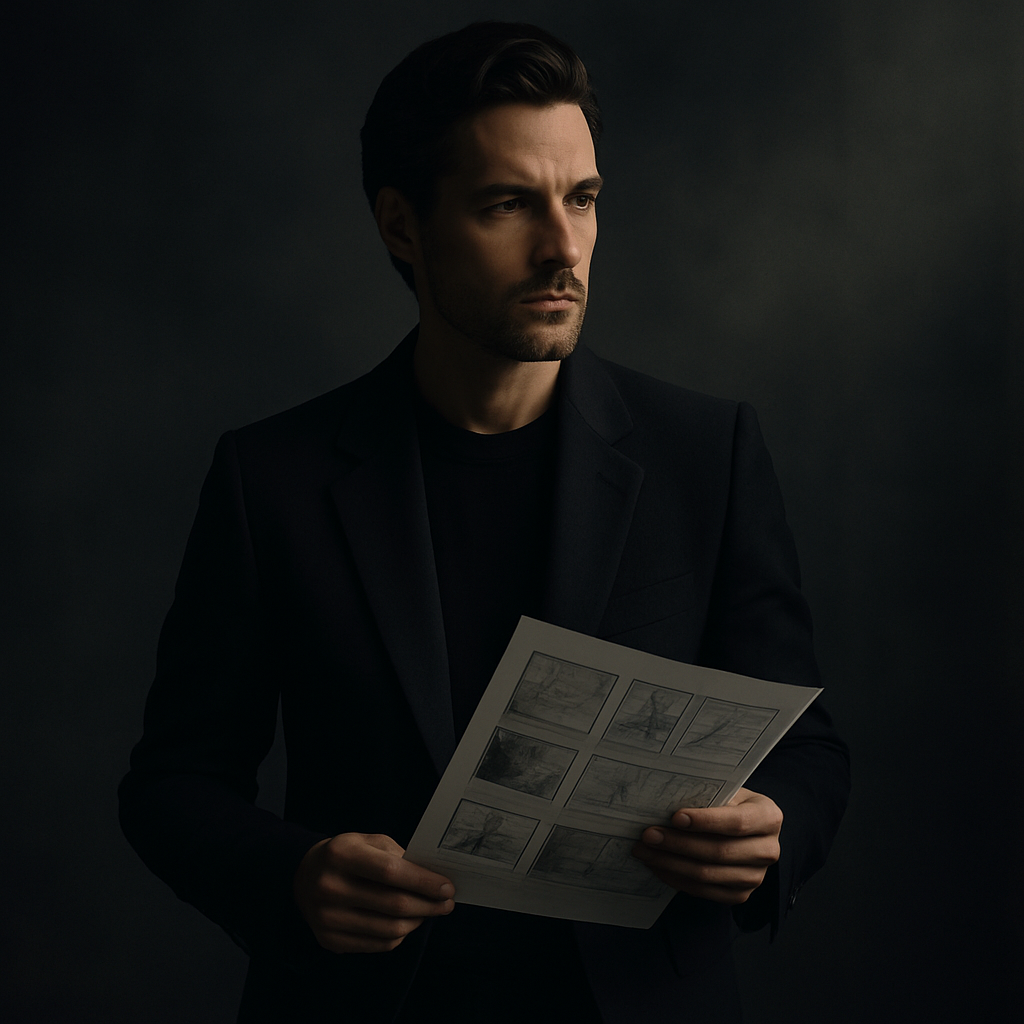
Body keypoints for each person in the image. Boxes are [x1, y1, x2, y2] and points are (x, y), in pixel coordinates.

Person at [119, 21, 850, 1023]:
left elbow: (806, 748)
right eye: (509, 204)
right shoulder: (269, 477)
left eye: (582, 198)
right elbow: (174, 783)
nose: (562, 246)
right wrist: (294, 874)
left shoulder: (705, 452)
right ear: (401, 225)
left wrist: (771, 825)